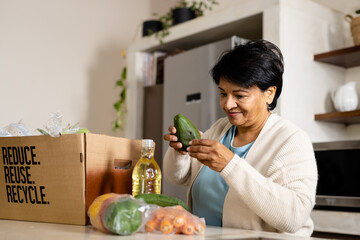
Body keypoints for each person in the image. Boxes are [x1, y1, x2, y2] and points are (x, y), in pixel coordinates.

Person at [163, 39, 318, 237]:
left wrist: (230, 165)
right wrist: (180, 153)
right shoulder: (220, 129)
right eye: (223, 93)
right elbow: (178, 177)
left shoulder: (291, 140)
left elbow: (293, 217)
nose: (228, 104)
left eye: (240, 96)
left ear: (269, 94)